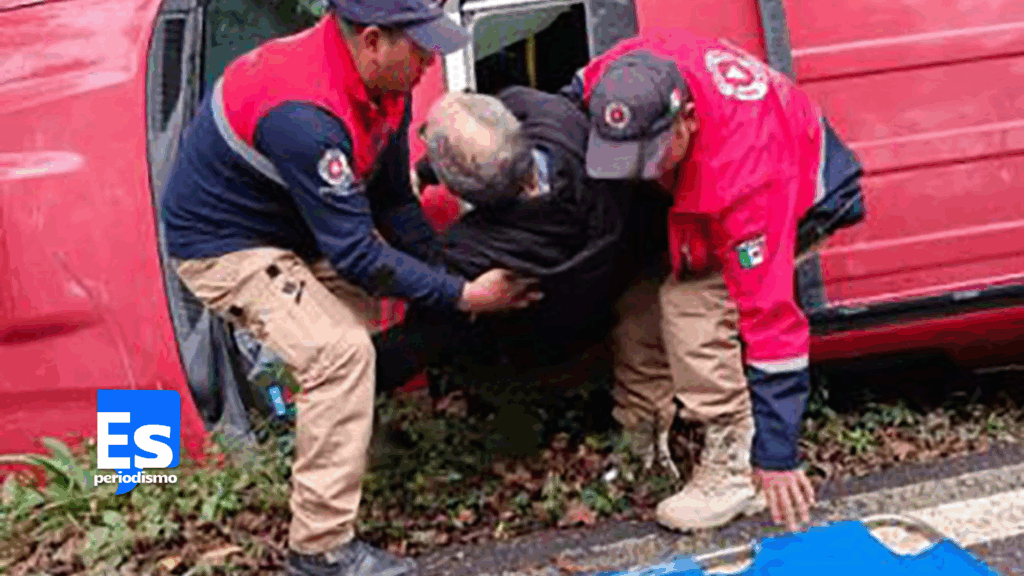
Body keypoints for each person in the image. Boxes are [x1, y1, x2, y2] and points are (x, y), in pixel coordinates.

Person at [159, 1, 542, 574]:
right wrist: (466, 296)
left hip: (298, 221)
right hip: (225, 244)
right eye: (420, 49)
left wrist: (446, 272)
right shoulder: (304, 115)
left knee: (362, 327)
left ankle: (349, 454)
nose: (429, 63)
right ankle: (319, 549)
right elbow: (359, 254)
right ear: (372, 41)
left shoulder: (386, 84)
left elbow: (393, 202)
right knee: (339, 354)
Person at [560, 29, 865, 532]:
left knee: (691, 307)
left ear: (687, 119)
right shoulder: (622, 74)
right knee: (637, 304)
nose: (639, 173)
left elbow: (772, 324)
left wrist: (777, 455)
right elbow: (567, 104)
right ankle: (643, 440)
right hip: (715, 179)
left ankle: (734, 465)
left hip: (800, 193)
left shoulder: (748, 181)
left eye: (650, 155)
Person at [373, 87, 672, 405]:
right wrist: (425, 171)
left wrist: (349, 370)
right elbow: (498, 137)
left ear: (457, 190)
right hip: (636, 260)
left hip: (547, 351)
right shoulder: (557, 118)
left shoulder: (471, 254)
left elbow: (419, 340)